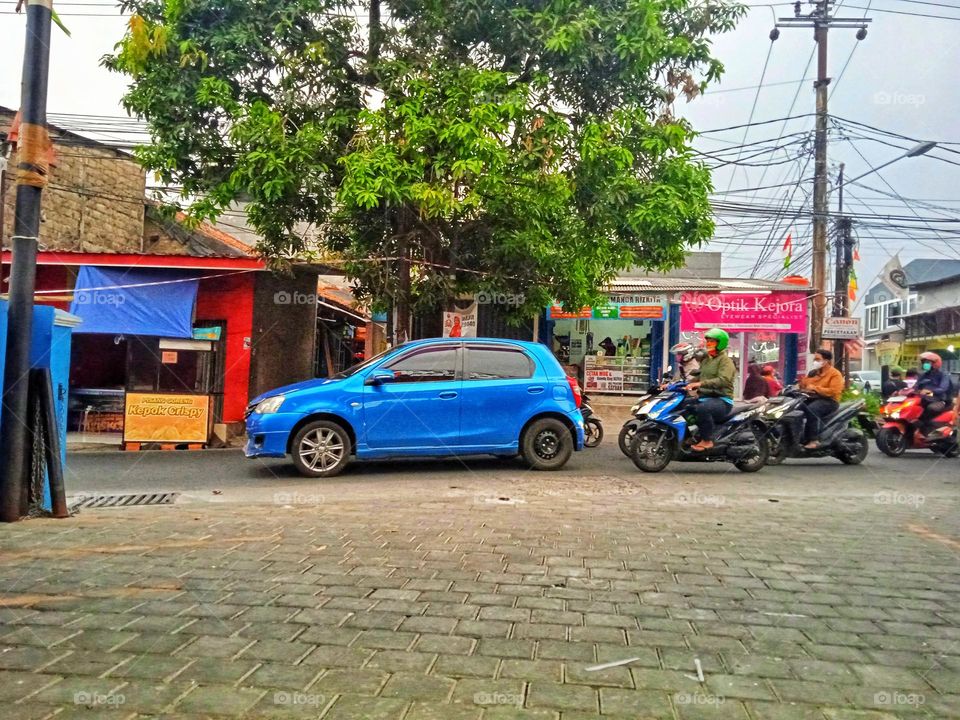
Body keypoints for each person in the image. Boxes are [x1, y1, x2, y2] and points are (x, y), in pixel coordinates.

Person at [686, 328, 736, 452]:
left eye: (712, 342)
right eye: (707, 341)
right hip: (705, 397)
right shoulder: (706, 360)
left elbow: (723, 380)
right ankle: (690, 436)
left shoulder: (726, 361)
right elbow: (698, 376)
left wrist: (701, 384)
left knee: (703, 409)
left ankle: (707, 440)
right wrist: (679, 384)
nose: (708, 344)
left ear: (721, 343)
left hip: (722, 400)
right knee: (683, 405)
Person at [798, 348, 844, 449]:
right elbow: (803, 385)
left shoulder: (835, 374)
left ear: (826, 361)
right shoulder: (813, 373)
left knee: (812, 410)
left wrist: (815, 388)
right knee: (793, 408)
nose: (815, 361)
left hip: (829, 401)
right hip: (811, 399)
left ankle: (814, 440)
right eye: (815, 359)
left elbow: (833, 391)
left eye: (818, 359)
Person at [915, 351, 952, 431]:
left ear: (935, 363)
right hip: (924, 398)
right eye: (924, 362)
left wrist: (928, 391)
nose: (925, 364)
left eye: (927, 362)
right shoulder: (923, 375)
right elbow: (916, 387)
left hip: (939, 399)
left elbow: (942, 389)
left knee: (930, 408)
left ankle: (928, 428)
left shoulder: (943, 375)